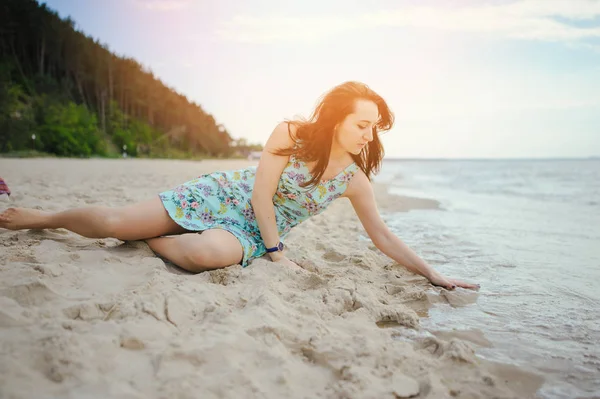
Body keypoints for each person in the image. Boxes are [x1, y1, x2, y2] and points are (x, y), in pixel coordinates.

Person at [0, 81, 478, 290]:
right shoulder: (291, 134)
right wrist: (278, 254)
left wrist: (432, 273)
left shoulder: (353, 181)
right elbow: (259, 195)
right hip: (226, 198)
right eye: (362, 123)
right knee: (111, 222)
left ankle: (149, 240)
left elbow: (383, 236)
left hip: (250, 231)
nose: (369, 133)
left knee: (210, 256)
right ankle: (41, 218)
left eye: (375, 126)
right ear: (337, 121)